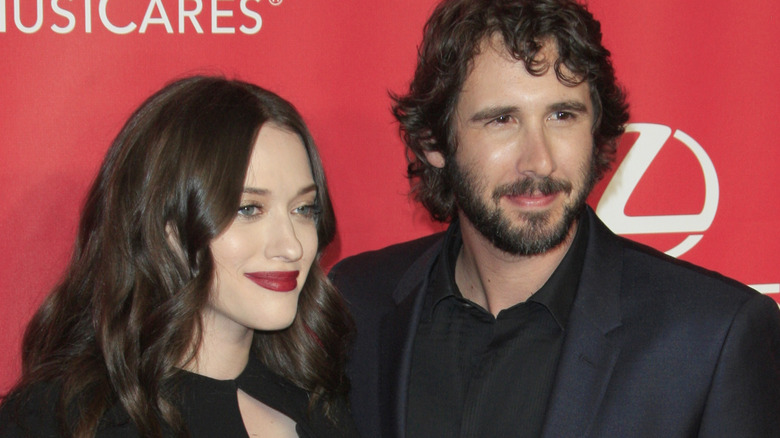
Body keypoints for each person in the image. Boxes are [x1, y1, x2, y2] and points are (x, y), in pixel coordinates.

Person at [329, 0, 780, 437]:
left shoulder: (710, 336)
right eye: (502, 120)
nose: (539, 161)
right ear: (434, 143)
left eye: (562, 115)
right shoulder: (357, 303)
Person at [0, 76, 359, 437]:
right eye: (249, 209)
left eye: (304, 209)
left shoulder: (323, 404)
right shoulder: (58, 419)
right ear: (165, 226)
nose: (292, 246)